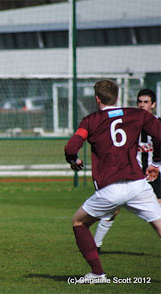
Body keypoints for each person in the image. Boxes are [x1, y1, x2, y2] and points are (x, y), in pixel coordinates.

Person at [64, 80, 161, 283]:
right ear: (117, 97)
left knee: (79, 222)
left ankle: (97, 274)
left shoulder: (90, 120)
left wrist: (74, 160)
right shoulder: (138, 114)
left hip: (110, 187)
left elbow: (71, 147)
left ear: (97, 99)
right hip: (137, 184)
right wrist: (157, 163)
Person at [94, 88, 161, 253]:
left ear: (153, 104)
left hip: (157, 173)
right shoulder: (130, 123)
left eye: (146, 102)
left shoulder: (159, 123)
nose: (142, 105)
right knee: (113, 208)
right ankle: (96, 245)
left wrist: (157, 166)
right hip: (134, 174)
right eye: (139, 102)